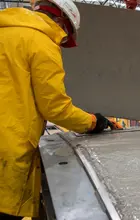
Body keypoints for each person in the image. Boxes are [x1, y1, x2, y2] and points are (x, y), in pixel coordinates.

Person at [0, 1, 115, 219]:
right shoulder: (41, 42)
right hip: (7, 152)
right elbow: (55, 108)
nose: (61, 41)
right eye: (65, 36)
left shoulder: (5, 31)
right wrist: (93, 122)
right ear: (62, 21)